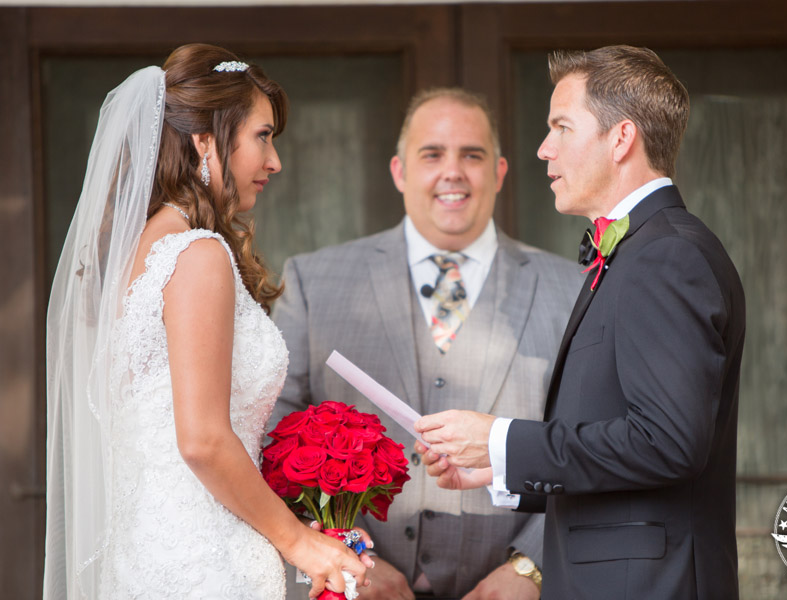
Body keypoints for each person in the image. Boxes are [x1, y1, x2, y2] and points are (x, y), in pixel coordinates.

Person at [43, 43, 373, 600]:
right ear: (204, 142)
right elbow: (201, 440)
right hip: (205, 565)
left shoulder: (135, 255)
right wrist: (299, 542)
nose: (275, 161)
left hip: (151, 554)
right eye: (262, 137)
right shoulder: (196, 254)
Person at [415, 46, 746, 599]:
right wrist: (501, 470)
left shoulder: (667, 256)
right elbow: (630, 445)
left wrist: (501, 439)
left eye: (561, 127)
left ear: (621, 139)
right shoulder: (638, 251)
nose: (544, 149)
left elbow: (669, 442)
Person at [270, 87, 582, 599]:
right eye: (432, 154)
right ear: (399, 171)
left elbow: (594, 448)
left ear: (500, 172)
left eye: (472, 155)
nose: (452, 171)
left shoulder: (572, 291)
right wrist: (345, 557)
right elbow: (270, 442)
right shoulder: (313, 283)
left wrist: (532, 569)